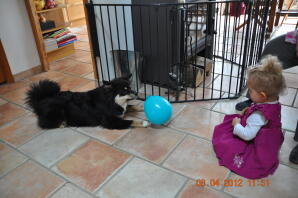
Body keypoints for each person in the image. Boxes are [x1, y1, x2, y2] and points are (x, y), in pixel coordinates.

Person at [212, 55, 286, 179]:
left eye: (251, 91)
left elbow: (247, 135)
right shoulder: (273, 103)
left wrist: (236, 125)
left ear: (262, 95)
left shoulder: (258, 115)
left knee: (225, 142)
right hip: (270, 137)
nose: (249, 93)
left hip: (258, 142)